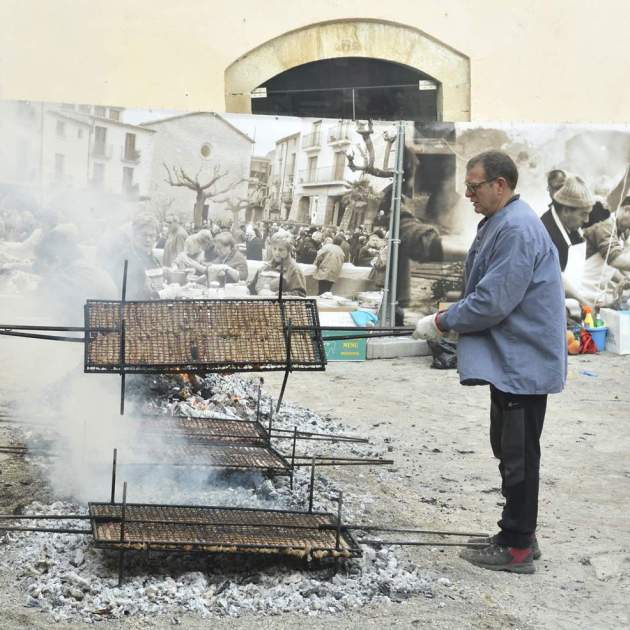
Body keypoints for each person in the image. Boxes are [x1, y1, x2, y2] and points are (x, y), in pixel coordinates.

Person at [413, 151, 566, 574]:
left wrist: (442, 321)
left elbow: (492, 302)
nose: (468, 194)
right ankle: (518, 533)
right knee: (509, 449)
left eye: (474, 186)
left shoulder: (516, 229)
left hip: (523, 362)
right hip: (513, 359)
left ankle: (517, 546)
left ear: (500, 184)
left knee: (518, 456)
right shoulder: (503, 221)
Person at [539, 173, 593, 303]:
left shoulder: (572, 226)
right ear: (566, 211)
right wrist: (583, 301)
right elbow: (554, 277)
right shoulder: (546, 232)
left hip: (570, 302)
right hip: (548, 304)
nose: (587, 220)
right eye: (583, 214)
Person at [581, 195, 630, 304]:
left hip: (597, 298)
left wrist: (623, 278)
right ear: (627, 210)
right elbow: (615, 260)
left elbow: (603, 266)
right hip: (581, 296)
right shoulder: (604, 226)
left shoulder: (623, 231)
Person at [248, 231, 306, 297]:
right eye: (274, 249)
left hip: (280, 303)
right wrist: (246, 290)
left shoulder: (294, 270)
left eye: (281, 250)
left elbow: (300, 295)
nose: (276, 253)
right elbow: (252, 288)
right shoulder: (264, 267)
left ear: (288, 251)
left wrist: (275, 295)